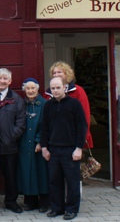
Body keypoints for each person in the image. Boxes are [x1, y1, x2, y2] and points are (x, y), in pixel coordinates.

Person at [41, 77, 87, 220]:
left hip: (70, 150)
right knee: (54, 181)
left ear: (65, 88)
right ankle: (57, 208)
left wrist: (79, 148)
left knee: (72, 181)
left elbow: (82, 127)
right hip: (53, 149)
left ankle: (72, 209)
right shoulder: (48, 106)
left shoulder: (74, 104)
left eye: (58, 88)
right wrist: (44, 147)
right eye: (52, 88)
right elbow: (44, 128)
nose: (55, 91)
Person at [0, 68, 26, 214]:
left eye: (5, 79)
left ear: (10, 81)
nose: (2, 81)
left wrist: (8, 138)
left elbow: (21, 124)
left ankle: (11, 202)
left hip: (9, 147)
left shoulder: (17, 100)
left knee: (10, 177)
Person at [44, 61, 93, 149]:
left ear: (67, 74)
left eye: (59, 72)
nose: (56, 74)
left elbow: (85, 116)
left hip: (73, 138)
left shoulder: (78, 91)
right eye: (54, 73)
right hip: (53, 139)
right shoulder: (48, 93)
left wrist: (83, 137)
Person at [17, 78, 49, 213]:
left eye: (33, 88)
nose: (30, 91)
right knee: (27, 172)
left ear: (37, 89)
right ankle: (30, 202)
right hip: (24, 143)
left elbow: (46, 125)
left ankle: (44, 202)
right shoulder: (21, 104)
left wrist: (40, 141)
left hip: (38, 144)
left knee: (41, 172)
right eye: (28, 88)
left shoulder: (45, 104)